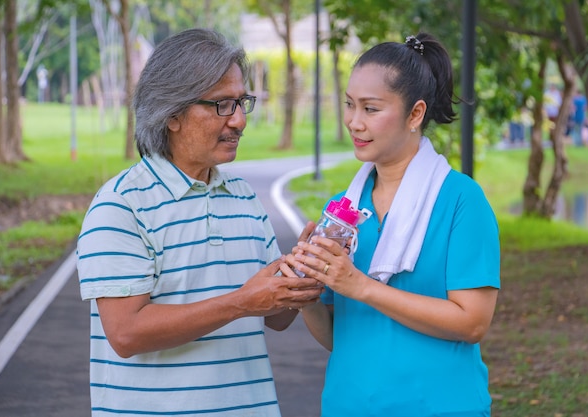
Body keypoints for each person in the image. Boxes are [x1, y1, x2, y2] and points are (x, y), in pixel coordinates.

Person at [76, 28, 323, 417]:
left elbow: (275, 317)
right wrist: (241, 303)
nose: (239, 120)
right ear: (172, 113)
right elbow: (126, 333)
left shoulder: (243, 196)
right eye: (223, 105)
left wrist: (303, 275)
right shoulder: (121, 206)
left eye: (242, 102)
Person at [286, 32, 501, 416]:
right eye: (350, 105)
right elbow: (341, 336)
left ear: (415, 114)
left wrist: (361, 286)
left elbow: (472, 324)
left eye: (371, 109)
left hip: (439, 406)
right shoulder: (343, 209)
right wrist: (309, 293)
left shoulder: (461, 200)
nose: (354, 122)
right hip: (347, 405)